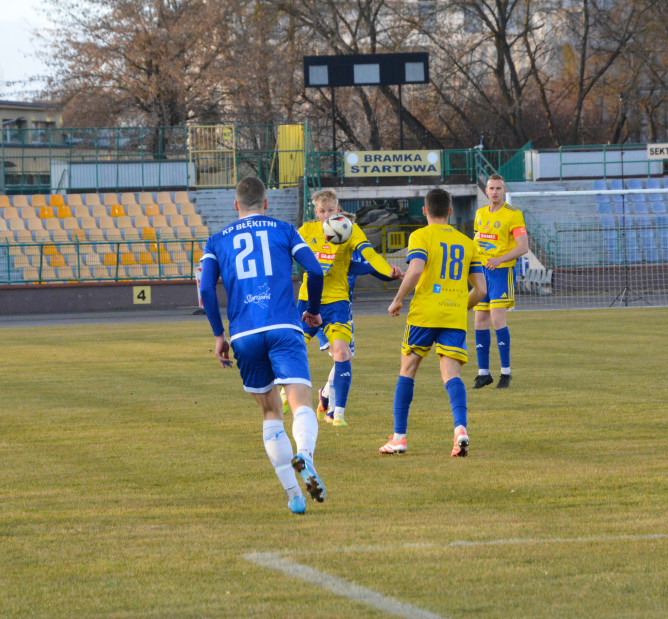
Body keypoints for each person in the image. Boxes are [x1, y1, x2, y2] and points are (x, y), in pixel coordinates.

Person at [199, 177, 328, 514]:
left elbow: (205, 289)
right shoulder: (284, 230)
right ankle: (306, 455)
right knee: (300, 402)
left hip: (244, 334)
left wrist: (218, 334)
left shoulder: (215, 241)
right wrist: (312, 311)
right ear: (266, 203)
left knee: (271, 412)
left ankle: (294, 496)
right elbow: (315, 270)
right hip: (284, 325)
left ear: (235, 206)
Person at [379, 188, 486, 456]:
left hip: (425, 313)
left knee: (408, 369)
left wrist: (397, 299)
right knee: (452, 374)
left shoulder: (420, 235)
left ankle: (399, 438)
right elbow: (481, 290)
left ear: (424, 211)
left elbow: (415, 269)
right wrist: (461, 306)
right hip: (453, 315)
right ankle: (460, 429)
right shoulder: (467, 242)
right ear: (450, 211)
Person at [297, 189, 403, 426]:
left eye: (331, 211)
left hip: (340, 304)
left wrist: (390, 271)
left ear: (339, 210)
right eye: (322, 212)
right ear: (316, 213)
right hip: (309, 301)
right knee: (327, 353)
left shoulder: (350, 236)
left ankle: (332, 406)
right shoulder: (306, 231)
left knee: (343, 355)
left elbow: (368, 262)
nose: (326, 216)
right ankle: (318, 400)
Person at [471, 174, 528, 389]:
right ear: (486, 191)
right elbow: (477, 242)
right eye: (491, 188)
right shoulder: (480, 214)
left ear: (504, 191)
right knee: (479, 322)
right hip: (481, 274)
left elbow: (523, 247)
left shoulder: (513, 215)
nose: (494, 192)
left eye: (498, 188)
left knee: (497, 320)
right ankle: (483, 373)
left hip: (501, 273)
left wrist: (500, 259)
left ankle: (506, 372)